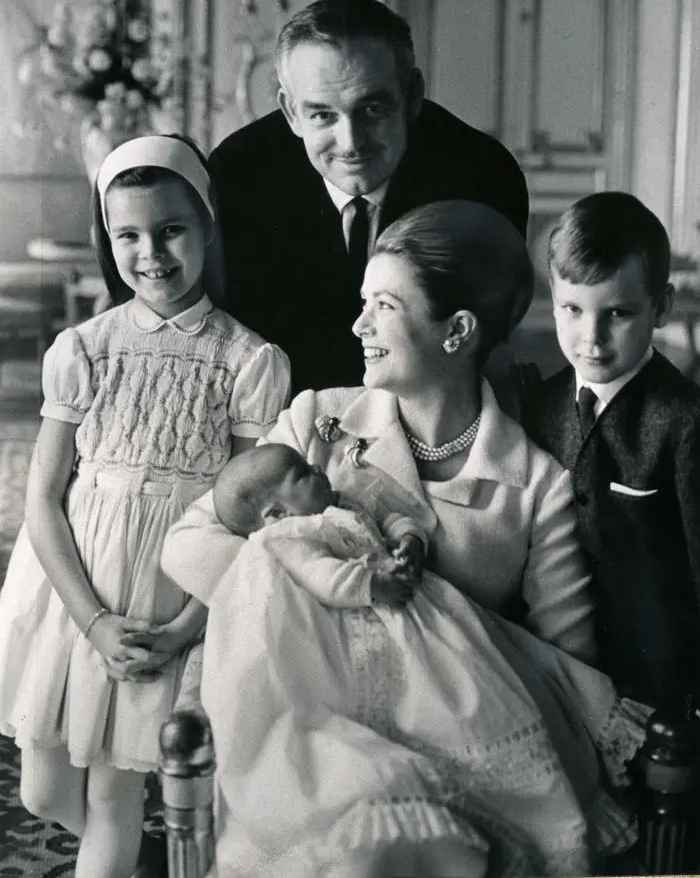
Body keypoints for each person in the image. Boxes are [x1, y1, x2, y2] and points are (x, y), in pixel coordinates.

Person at [160, 201, 649, 875]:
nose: (358, 324)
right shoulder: (317, 420)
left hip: (460, 754)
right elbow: (188, 542)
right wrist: (320, 592)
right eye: (364, 302)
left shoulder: (534, 484)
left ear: (458, 331)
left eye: (384, 306)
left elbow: (560, 656)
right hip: (319, 742)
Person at [0, 135, 290, 878]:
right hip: (77, 587)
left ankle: (121, 850)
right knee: (42, 790)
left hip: (171, 592)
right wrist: (92, 620)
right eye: (127, 235)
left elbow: (246, 514)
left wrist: (188, 627)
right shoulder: (83, 348)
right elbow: (42, 495)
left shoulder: (247, 360)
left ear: (207, 227)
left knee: (112, 796)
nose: (151, 253)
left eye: (170, 230)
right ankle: (146, 860)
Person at [209, 0, 529, 393]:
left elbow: (478, 346)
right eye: (322, 115)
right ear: (291, 112)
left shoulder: (483, 176)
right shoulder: (237, 175)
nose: (351, 143)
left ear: (412, 95)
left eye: (372, 110)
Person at [522, 191, 700, 717]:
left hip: (660, 690)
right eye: (573, 310)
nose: (592, 339)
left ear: (661, 307)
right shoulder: (538, 406)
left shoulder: (686, 422)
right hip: (558, 674)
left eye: (618, 313)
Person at [213, 442, 425, 607]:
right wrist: (372, 586)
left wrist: (409, 537)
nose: (316, 467)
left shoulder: (345, 501)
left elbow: (387, 519)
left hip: (400, 584)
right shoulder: (293, 537)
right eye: (302, 474)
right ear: (279, 513)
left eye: (308, 465)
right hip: (363, 605)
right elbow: (318, 573)